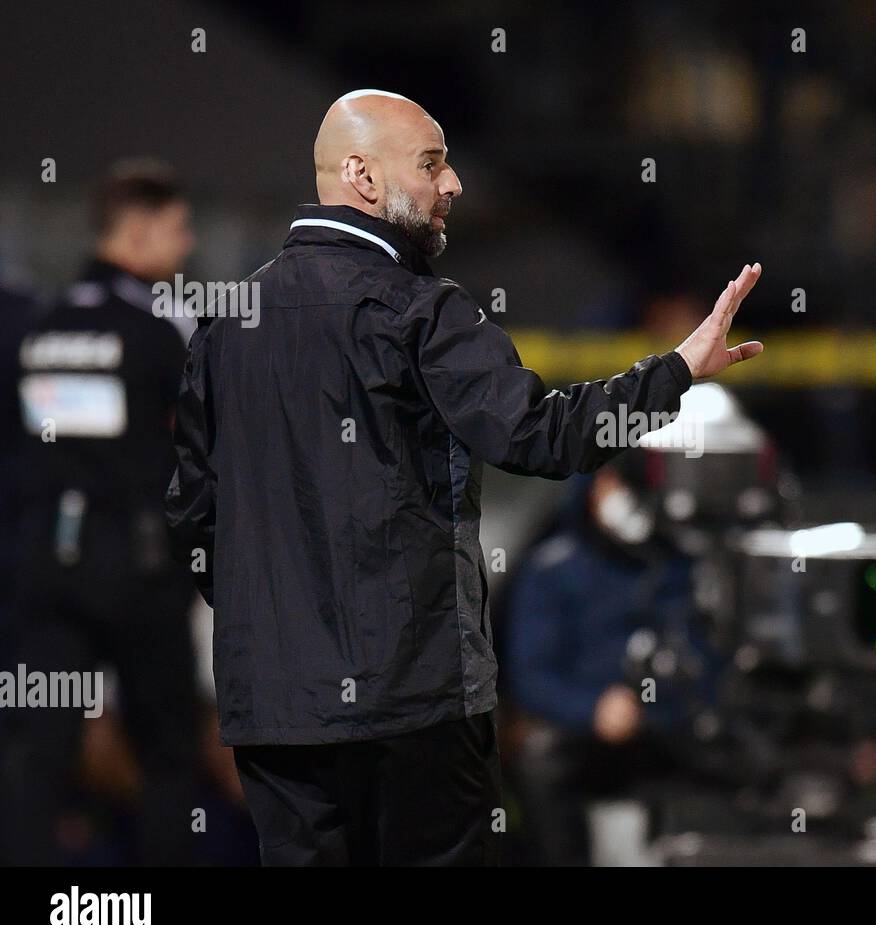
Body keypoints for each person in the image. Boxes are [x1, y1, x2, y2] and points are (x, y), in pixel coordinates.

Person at [164, 88, 763, 866]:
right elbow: (542, 437)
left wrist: (278, 627)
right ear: (363, 176)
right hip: (416, 705)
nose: (454, 185)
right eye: (431, 163)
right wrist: (678, 370)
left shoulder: (225, 320)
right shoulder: (419, 309)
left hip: (276, 712)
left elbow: (192, 516)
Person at [1, 159, 200, 865]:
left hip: (47, 570)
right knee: (171, 754)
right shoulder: (161, 325)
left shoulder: (41, 323)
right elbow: (202, 445)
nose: (187, 244)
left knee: (39, 754)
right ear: (139, 231)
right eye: (178, 229)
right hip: (140, 572)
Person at [506, 456, 723, 865]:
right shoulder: (553, 570)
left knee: (737, 762)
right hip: (585, 737)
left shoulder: (679, 569)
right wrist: (594, 710)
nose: (622, 497)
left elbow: (707, 662)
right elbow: (532, 676)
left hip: (668, 730)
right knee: (541, 766)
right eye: (609, 484)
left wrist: (666, 707)